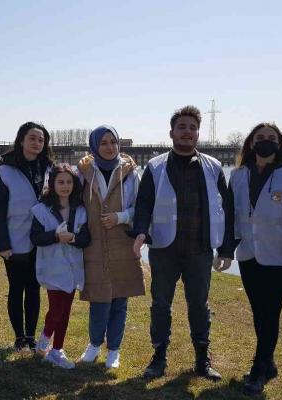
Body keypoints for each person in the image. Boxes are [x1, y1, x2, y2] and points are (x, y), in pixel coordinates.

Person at [131, 105, 234, 380]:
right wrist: (140, 232)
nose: (187, 132)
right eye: (182, 127)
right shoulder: (155, 167)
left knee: (199, 305)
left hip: (200, 250)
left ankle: (202, 359)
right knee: (160, 305)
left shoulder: (213, 167)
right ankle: (158, 358)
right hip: (164, 249)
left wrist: (226, 249)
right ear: (171, 133)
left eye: (192, 128)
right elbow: (143, 204)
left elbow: (226, 208)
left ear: (198, 133)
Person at [221, 122, 282, 396]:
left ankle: (258, 371)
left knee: (270, 313)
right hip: (249, 255)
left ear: (279, 144)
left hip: (280, 257)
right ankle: (268, 363)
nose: (265, 141)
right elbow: (230, 216)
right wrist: (226, 250)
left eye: (271, 137)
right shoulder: (238, 176)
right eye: (260, 137)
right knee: (259, 312)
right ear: (251, 143)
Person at [75, 125, 144, 369]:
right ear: (94, 146)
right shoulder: (83, 172)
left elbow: (142, 207)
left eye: (113, 142)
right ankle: (94, 344)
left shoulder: (131, 173)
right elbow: (73, 203)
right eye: (103, 143)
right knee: (98, 298)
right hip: (93, 244)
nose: (109, 147)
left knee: (119, 299)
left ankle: (114, 350)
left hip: (122, 242)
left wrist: (121, 217)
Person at [0, 122, 54, 351]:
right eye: (32, 138)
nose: (37, 143)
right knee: (17, 289)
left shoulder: (49, 169)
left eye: (41, 140)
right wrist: (2, 244)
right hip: (15, 240)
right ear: (21, 140)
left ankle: (31, 336)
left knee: (34, 289)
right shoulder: (5, 171)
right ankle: (19, 338)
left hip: (41, 240)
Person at [30, 164, 91, 369]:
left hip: (73, 269)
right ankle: (44, 341)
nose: (65, 186)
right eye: (61, 182)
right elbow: (36, 238)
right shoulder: (41, 210)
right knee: (56, 309)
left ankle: (57, 350)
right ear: (52, 184)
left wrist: (72, 238)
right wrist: (56, 236)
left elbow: (86, 239)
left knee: (65, 311)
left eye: (69, 182)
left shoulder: (81, 210)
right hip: (52, 268)